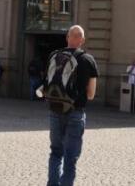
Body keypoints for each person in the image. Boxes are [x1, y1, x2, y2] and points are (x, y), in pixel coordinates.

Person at [45, 25, 98, 186]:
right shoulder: (88, 60)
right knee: (70, 157)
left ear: (67, 38)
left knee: (55, 152)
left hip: (55, 110)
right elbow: (91, 94)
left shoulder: (53, 55)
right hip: (76, 112)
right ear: (82, 40)